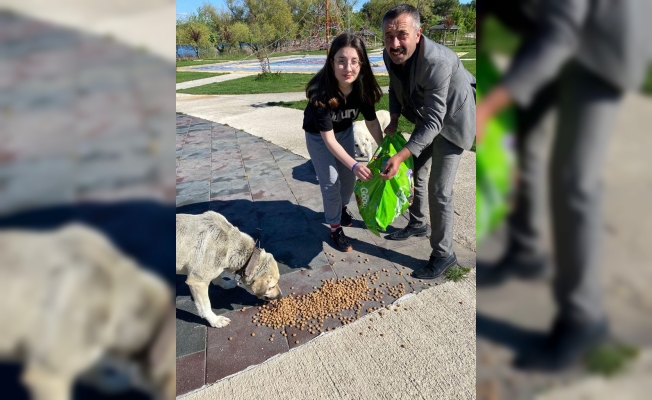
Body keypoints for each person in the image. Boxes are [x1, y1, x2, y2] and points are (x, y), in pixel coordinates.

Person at [476, 0, 652, 371]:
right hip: (553, 29)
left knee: (575, 181)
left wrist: (489, 106)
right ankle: (526, 254)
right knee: (525, 142)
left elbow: (561, 33)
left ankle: (584, 320)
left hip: (604, 47)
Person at [379, 5, 476, 279]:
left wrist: (398, 156)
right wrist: (395, 118)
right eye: (388, 36)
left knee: (439, 188)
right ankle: (418, 223)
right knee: (417, 172)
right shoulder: (390, 56)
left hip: (453, 121)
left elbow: (436, 122)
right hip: (429, 116)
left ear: (418, 34)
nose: (394, 43)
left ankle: (444, 254)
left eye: (402, 34)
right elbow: (395, 88)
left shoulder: (437, 61)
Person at [303, 33, 384, 252]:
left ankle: (342, 209)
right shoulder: (319, 93)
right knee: (331, 183)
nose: (347, 67)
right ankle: (335, 227)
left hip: (344, 132)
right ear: (332, 63)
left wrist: (385, 149)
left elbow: (372, 123)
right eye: (341, 60)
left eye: (354, 61)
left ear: (362, 64)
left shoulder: (362, 90)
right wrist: (356, 163)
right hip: (319, 137)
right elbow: (328, 140)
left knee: (348, 180)